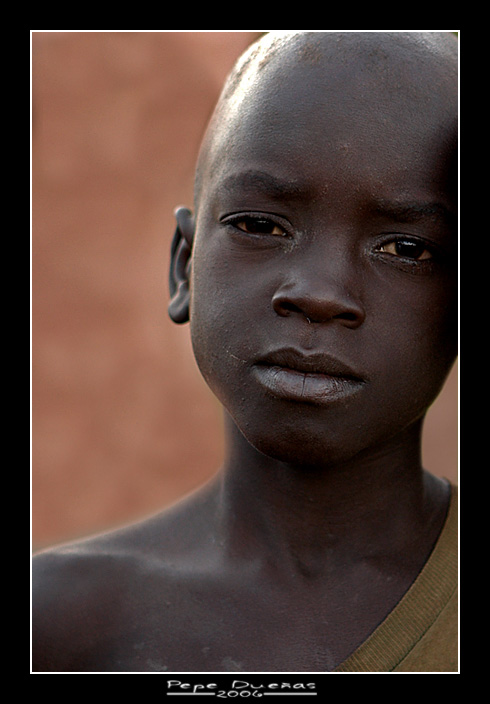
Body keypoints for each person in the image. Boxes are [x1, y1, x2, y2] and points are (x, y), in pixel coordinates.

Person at [32, 31, 458, 673]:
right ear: (184, 267)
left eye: (405, 248)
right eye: (260, 225)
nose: (318, 294)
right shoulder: (59, 624)